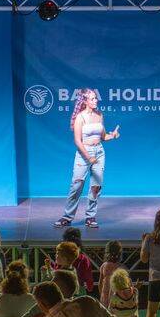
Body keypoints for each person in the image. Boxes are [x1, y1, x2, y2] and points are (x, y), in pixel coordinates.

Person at [54, 88, 121, 229]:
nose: (95, 100)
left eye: (95, 98)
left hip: (99, 153)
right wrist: (88, 157)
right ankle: (67, 217)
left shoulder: (99, 115)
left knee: (96, 187)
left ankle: (90, 216)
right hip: (84, 153)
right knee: (76, 186)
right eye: (92, 98)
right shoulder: (81, 117)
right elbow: (77, 141)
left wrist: (113, 135)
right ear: (85, 101)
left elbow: (103, 137)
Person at [60, 229, 96, 293]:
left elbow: (56, 270)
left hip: (63, 290)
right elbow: (88, 275)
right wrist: (90, 287)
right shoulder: (83, 258)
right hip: (79, 289)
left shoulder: (61, 257)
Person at [98, 241, 122, 307]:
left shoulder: (104, 265)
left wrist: (102, 295)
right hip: (117, 297)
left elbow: (100, 283)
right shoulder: (120, 267)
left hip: (105, 297)